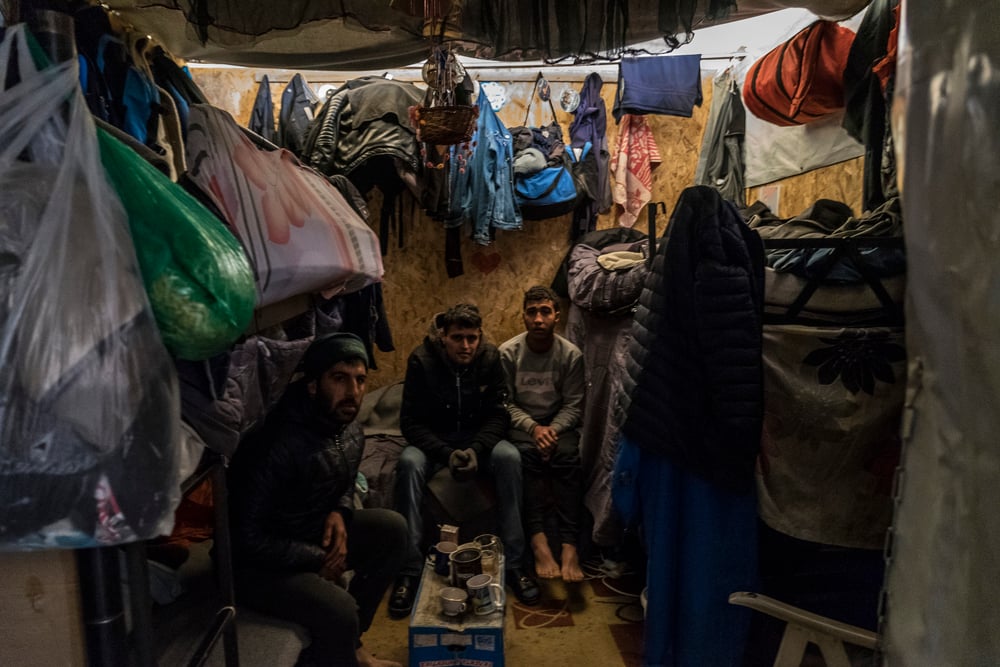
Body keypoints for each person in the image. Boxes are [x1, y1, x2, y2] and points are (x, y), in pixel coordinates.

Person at [227, 333, 406, 667]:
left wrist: (340, 511)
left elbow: (345, 479)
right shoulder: (273, 443)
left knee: (392, 530)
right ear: (313, 385)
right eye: (339, 379)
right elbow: (243, 539)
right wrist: (316, 558)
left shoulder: (348, 426)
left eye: (361, 380)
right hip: (258, 565)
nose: (353, 393)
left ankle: (354, 648)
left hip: (308, 532)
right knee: (340, 608)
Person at [389, 303, 540, 618]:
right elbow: (410, 423)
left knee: (510, 456)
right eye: (458, 338)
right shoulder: (421, 360)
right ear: (444, 336)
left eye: (472, 338)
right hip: (435, 445)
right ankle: (408, 568)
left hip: (477, 444)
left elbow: (500, 415)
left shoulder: (489, 358)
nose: (466, 346)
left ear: (480, 336)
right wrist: (446, 453)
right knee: (408, 463)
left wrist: (476, 449)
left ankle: (514, 562)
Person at [499, 285, 587, 581]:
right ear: (523, 316)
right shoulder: (508, 354)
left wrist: (552, 429)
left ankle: (569, 546)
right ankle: (538, 542)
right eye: (532, 312)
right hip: (523, 425)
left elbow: (575, 405)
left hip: (558, 424)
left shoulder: (571, 355)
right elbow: (505, 404)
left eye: (545, 312)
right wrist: (533, 429)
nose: (538, 319)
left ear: (557, 316)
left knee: (568, 459)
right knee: (527, 459)